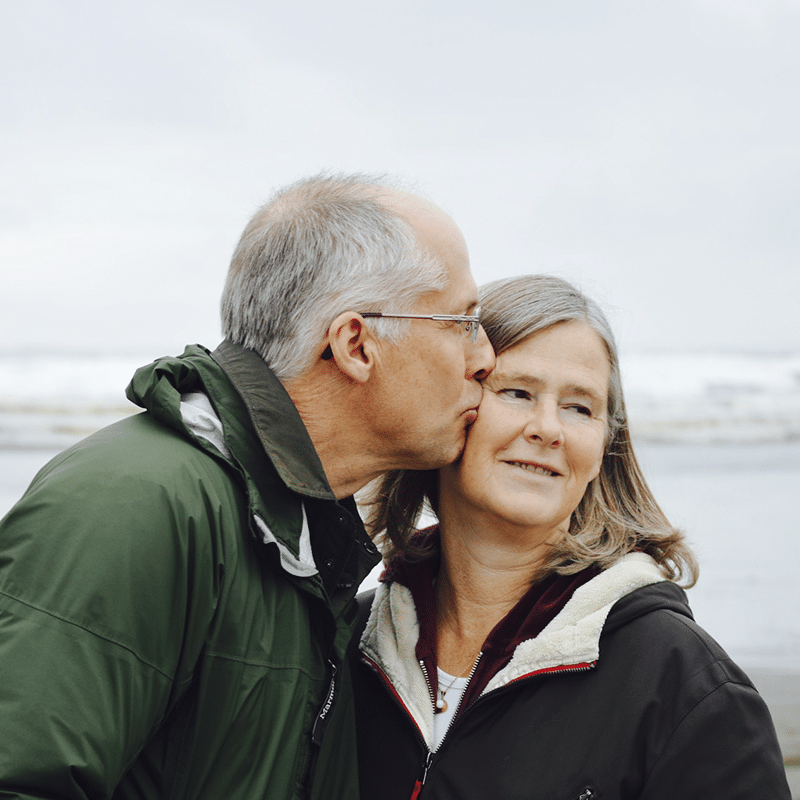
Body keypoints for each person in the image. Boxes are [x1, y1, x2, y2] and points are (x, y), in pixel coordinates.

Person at [0, 174, 495, 799]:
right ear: (355, 344)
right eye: (462, 322)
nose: (485, 358)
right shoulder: (137, 504)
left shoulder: (301, 538)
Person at [353, 274, 791, 800]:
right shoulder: (348, 643)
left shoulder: (686, 686)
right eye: (516, 392)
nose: (547, 428)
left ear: (605, 446)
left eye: (579, 407)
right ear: (453, 405)